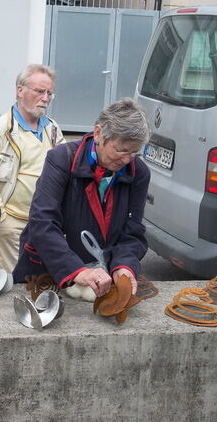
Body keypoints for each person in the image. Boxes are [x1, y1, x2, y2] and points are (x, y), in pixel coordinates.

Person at [12, 98, 149, 298]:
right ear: (98, 133)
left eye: (134, 152)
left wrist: (125, 266)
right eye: (120, 150)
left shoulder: (138, 172)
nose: (126, 159)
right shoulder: (61, 159)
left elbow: (133, 231)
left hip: (101, 278)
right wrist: (77, 270)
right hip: (48, 272)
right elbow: (42, 223)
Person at [0, 64, 65, 272]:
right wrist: (4, 221)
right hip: (12, 225)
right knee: (12, 285)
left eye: (49, 93)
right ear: (20, 90)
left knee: (41, 283)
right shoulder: (1, 130)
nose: (46, 98)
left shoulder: (52, 128)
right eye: (40, 91)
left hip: (45, 224)